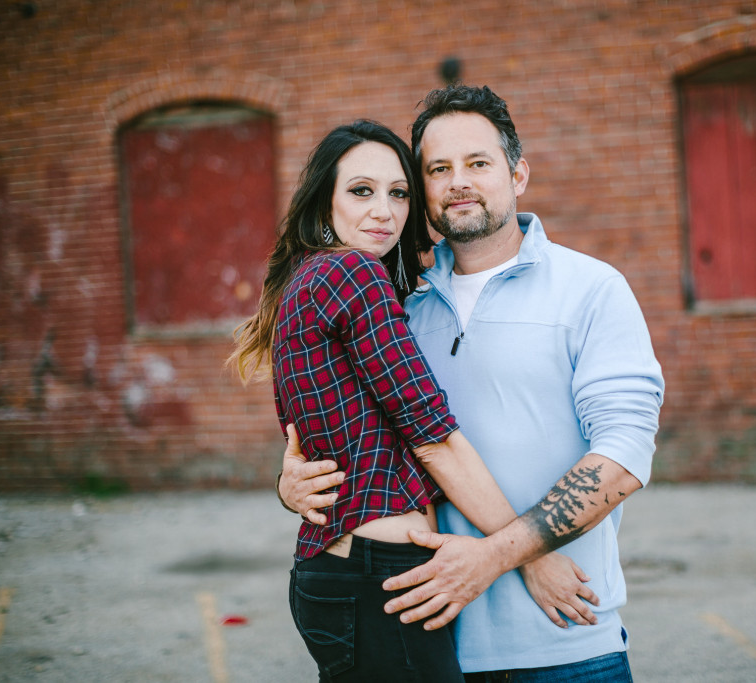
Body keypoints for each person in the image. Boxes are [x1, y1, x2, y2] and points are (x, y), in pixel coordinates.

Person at [280, 86, 665, 682]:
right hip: (433, 635)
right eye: (438, 169)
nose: (458, 181)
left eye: (478, 163)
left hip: (566, 643)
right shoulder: (397, 307)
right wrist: (292, 481)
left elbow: (622, 458)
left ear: (518, 174)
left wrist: (500, 558)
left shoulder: (592, 288)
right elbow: (349, 427)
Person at [228, 119, 598, 682]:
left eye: (398, 193)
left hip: (350, 569)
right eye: (361, 191)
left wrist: (289, 486)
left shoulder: (312, 278)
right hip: (379, 574)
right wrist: (532, 556)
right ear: (323, 201)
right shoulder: (351, 274)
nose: (384, 210)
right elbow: (434, 441)